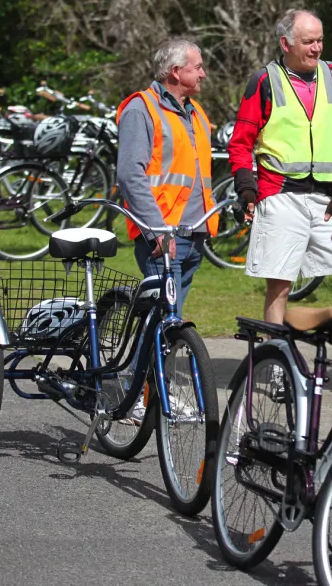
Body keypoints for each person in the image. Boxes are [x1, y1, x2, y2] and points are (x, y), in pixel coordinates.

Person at [228, 9, 332, 397]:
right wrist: (247, 187)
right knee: (280, 287)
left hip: (327, 199)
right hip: (280, 195)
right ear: (285, 43)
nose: (317, 48)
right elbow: (241, 142)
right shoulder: (264, 81)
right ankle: (276, 373)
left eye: (320, 40)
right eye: (308, 42)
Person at [116, 39, 218, 422]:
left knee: (168, 321)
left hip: (192, 235)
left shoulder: (194, 112)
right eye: (198, 67)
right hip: (163, 237)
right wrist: (158, 231)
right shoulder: (141, 109)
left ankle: (146, 391)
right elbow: (130, 175)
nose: (203, 73)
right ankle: (138, 395)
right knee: (165, 318)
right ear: (176, 72)